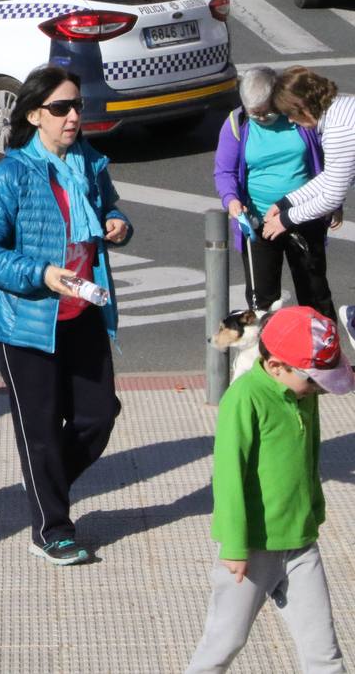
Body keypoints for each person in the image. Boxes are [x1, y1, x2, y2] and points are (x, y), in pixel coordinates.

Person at [0, 66, 131, 566]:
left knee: (99, 417)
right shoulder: (11, 174)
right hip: (26, 323)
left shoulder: (90, 163)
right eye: (61, 108)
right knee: (39, 430)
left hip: (83, 313)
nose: (73, 116)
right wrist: (41, 273)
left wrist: (119, 222)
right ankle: (51, 528)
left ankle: (43, 482)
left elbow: (108, 209)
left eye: (77, 105)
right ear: (35, 116)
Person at [185, 305, 351, 674]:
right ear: (276, 366)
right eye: (313, 380)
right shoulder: (245, 398)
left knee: (324, 654)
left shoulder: (303, 393)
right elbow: (228, 475)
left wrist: (315, 509)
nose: (318, 388)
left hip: (300, 543)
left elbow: (310, 454)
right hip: (253, 550)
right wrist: (233, 544)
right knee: (222, 645)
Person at [213, 66, 335, 320]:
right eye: (254, 113)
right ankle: (268, 356)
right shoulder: (237, 124)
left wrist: (334, 203)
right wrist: (232, 200)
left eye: (266, 110)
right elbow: (224, 172)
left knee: (314, 293)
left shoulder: (300, 119)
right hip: (259, 220)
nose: (262, 117)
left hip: (305, 215)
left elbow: (330, 165)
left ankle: (322, 353)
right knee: (262, 301)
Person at [264, 69, 355, 273]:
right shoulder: (341, 107)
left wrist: (285, 219)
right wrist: (287, 202)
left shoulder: (338, 130)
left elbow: (331, 197)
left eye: (289, 113)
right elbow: (332, 176)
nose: (289, 120)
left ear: (302, 107)